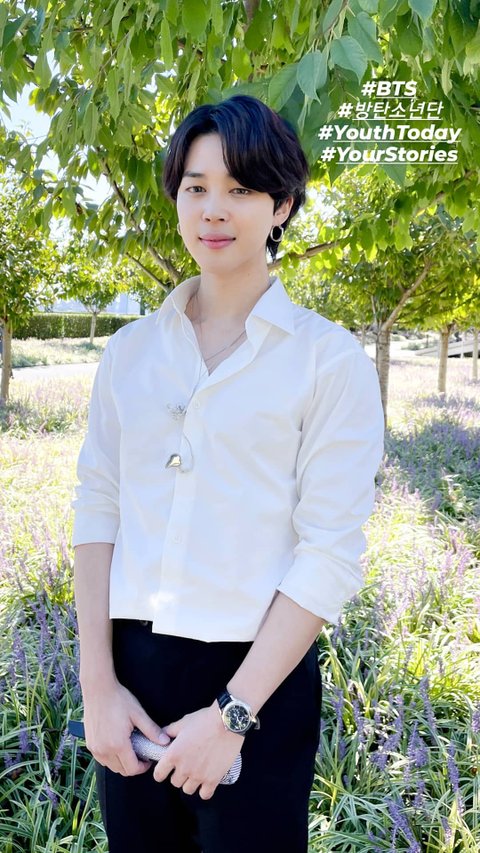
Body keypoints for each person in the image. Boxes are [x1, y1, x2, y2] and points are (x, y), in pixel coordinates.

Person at [72, 94, 385, 853]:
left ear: (281, 206)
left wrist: (232, 715)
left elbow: (329, 551)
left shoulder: (327, 359)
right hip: (132, 675)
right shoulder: (130, 352)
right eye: (196, 186)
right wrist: (98, 685)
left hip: (258, 681)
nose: (214, 209)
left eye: (241, 188)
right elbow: (98, 508)